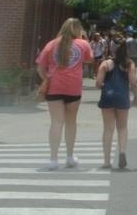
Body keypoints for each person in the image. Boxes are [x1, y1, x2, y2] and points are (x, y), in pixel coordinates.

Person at [36, 18, 93, 170]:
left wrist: (47, 78)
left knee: (56, 122)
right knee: (71, 122)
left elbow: (40, 67)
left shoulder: (51, 44)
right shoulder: (82, 44)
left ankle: (53, 159)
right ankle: (69, 157)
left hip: (55, 87)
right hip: (73, 88)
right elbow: (89, 60)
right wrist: (83, 39)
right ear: (77, 29)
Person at [95, 36, 137, 170]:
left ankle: (107, 161)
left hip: (107, 97)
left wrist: (104, 85)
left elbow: (98, 83)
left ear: (111, 49)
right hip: (122, 97)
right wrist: (136, 97)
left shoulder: (105, 64)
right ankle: (122, 152)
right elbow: (133, 83)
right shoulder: (129, 64)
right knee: (122, 127)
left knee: (108, 129)